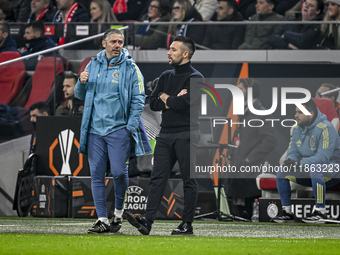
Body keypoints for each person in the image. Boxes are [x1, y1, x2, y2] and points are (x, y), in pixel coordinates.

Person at [74, 28, 152, 234]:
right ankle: (101, 219)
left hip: (119, 129)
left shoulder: (131, 67)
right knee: (97, 175)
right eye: (114, 42)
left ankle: (118, 212)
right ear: (104, 43)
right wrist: (80, 82)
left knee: (118, 173)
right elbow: (79, 94)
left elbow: (138, 98)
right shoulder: (93, 64)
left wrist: (130, 127)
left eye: (121, 42)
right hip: (94, 131)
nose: (118, 45)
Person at [125, 36, 203, 235]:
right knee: (157, 178)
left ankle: (187, 224)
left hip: (187, 134)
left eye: (173, 50)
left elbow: (183, 104)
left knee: (189, 179)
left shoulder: (196, 78)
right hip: (165, 134)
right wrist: (172, 98)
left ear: (185, 54)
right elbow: (153, 104)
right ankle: (147, 221)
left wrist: (166, 97)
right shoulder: (166, 76)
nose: (168, 52)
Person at [272, 98, 340, 223]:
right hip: (311, 168)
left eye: (300, 112)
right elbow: (293, 152)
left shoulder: (326, 128)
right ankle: (287, 211)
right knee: (282, 171)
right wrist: (290, 161)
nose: (296, 115)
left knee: (315, 168)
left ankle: (321, 212)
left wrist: (299, 164)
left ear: (311, 114)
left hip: (334, 168)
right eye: (296, 112)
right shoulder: (297, 129)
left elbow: (323, 158)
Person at [226, 78, 277, 219]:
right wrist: (230, 154)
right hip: (238, 170)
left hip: (250, 172)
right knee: (238, 212)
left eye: (240, 88)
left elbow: (270, 141)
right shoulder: (243, 112)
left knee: (247, 212)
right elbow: (238, 137)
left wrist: (249, 159)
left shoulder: (261, 113)